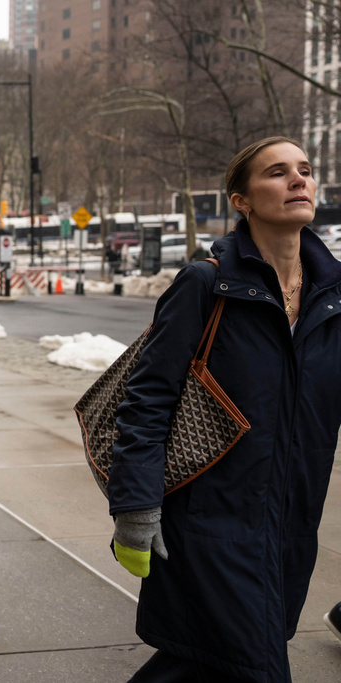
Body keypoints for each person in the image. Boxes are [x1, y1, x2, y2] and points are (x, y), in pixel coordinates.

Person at [107, 136, 341, 682]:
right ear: (241, 199)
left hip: (291, 524)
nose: (298, 180)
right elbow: (146, 401)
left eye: (304, 170)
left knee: (201, 665)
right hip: (210, 525)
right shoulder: (207, 284)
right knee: (257, 666)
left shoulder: (332, 297)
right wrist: (135, 507)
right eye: (278, 173)